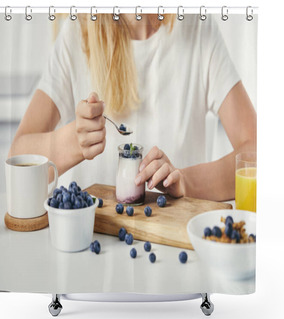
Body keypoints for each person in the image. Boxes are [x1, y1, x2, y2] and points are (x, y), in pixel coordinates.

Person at [8, 14, 256, 202]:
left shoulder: (198, 29)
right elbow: (17, 157)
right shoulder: (77, 33)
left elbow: (257, 152)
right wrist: (75, 140)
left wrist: (186, 182)